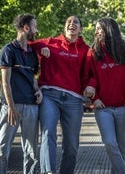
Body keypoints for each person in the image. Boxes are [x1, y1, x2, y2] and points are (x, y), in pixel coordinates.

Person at [30, 15, 89, 174]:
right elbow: (24, 43)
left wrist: (91, 86)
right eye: (68, 22)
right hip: (49, 95)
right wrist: (39, 49)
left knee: (71, 145)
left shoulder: (85, 50)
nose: (72, 24)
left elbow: (90, 75)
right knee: (48, 133)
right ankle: (49, 171)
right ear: (64, 28)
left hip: (74, 100)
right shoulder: (50, 42)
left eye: (76, 22)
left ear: (81, 29)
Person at [0, 13, 42, 174]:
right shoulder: (8, 50)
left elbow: (31, 78)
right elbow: (5, 82)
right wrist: (11, 108)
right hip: (11, 106)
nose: (37, 30)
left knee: (32, 153)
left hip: (32, 107)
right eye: (34, 27)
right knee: (2, 150)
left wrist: (38, 90)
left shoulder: (32, 53)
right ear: (26, 28)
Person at [84, 18, 125, 174]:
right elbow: (87, 77)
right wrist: (95, 98)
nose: (96, 31)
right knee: (109, 143)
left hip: (124, 107)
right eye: (96, 28)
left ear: (109, 29)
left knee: (121, 148)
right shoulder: (92, 53)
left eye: (99, 28)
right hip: (103, 107)